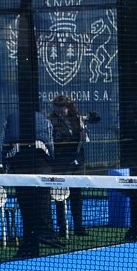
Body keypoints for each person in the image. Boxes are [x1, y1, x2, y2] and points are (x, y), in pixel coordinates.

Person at [3, 103, 60, 255]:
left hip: (22, 165)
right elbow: (50, 142)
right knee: (41, 202)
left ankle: (36, 237)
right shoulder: (43, 119)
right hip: (35, 165)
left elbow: (5, 142)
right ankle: (43, 236)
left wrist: (5, 163)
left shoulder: (12, 118)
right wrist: (51, 161)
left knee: (28, 203)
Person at [48, 95, 88, 238]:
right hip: (61, 163)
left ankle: (79, 226)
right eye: (57, 107)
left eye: (62, 107)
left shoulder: (77, 120)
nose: (59, 110)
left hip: (77, 162)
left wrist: (84, 133)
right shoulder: (50, 122)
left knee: (76, 194)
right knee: (61, 196)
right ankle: (62, 226)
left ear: (68, 107)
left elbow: (84, 137)